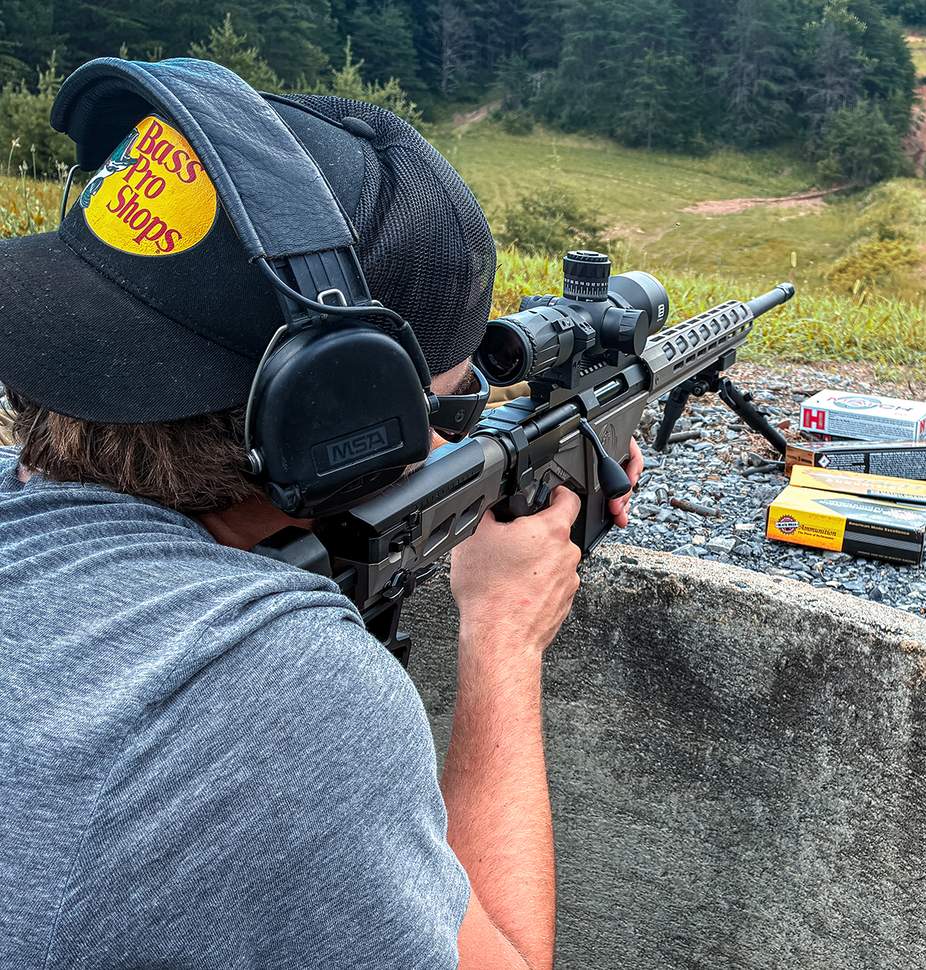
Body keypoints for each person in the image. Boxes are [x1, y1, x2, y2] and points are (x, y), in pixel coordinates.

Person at [0, 77, 641, 968]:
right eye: (454, 411)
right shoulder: (277, 694)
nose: (452, 436)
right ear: (334, 417)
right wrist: (504, 636)